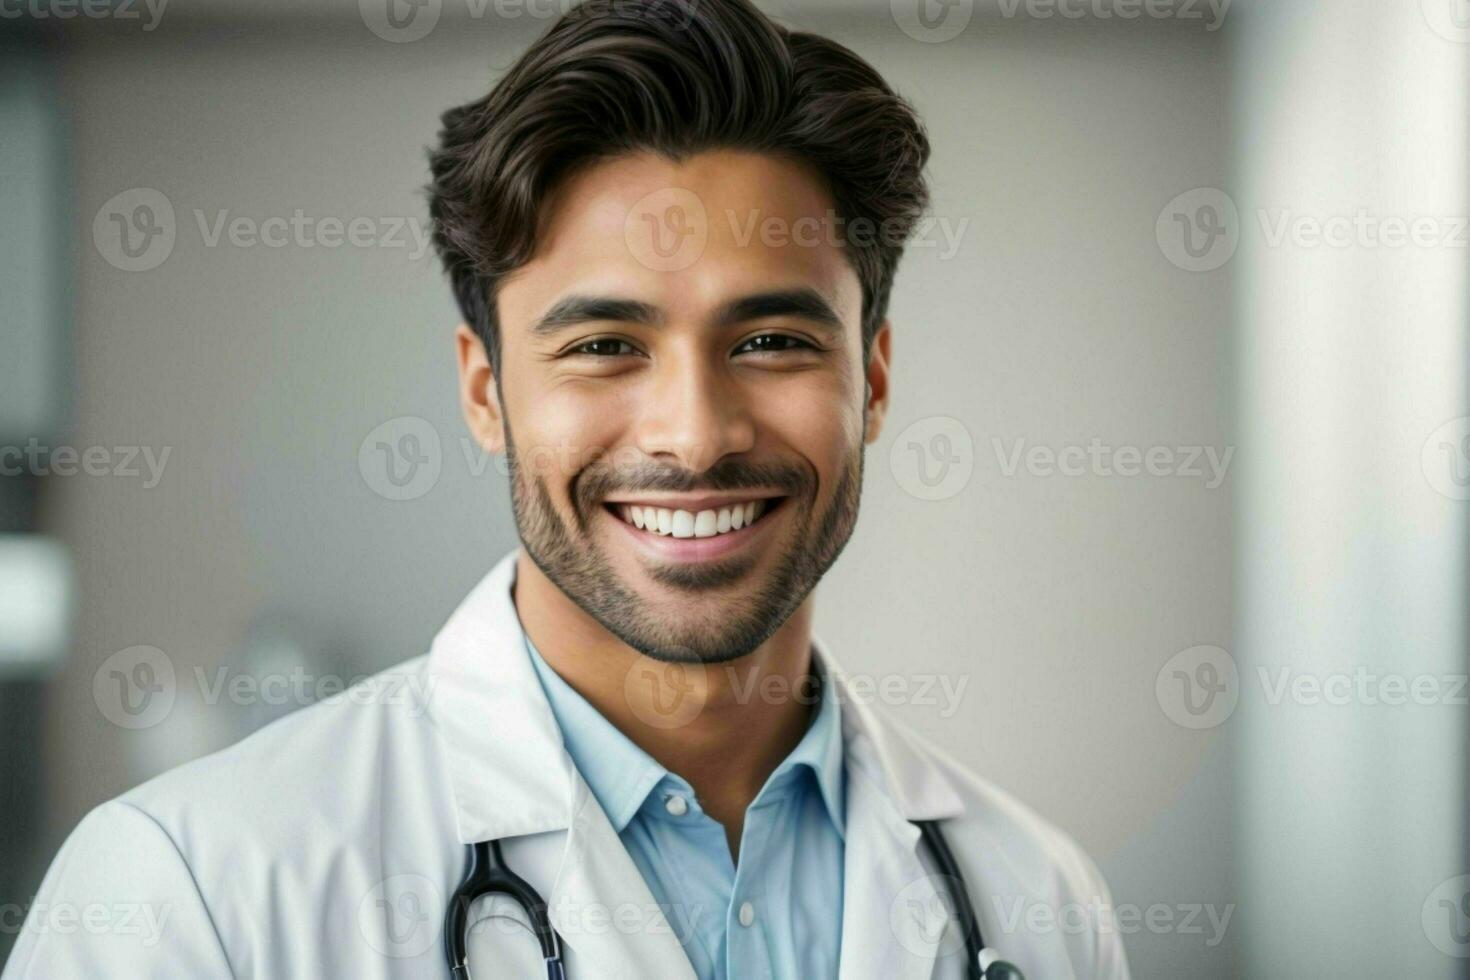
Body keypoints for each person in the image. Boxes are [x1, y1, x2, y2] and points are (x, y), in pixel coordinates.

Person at [3, 1, 1130, 977]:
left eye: (773, 337)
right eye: (603, 345)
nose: (693, 437)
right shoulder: (192, 888)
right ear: (486, 390)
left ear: (872, 378)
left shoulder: (1033, 894)